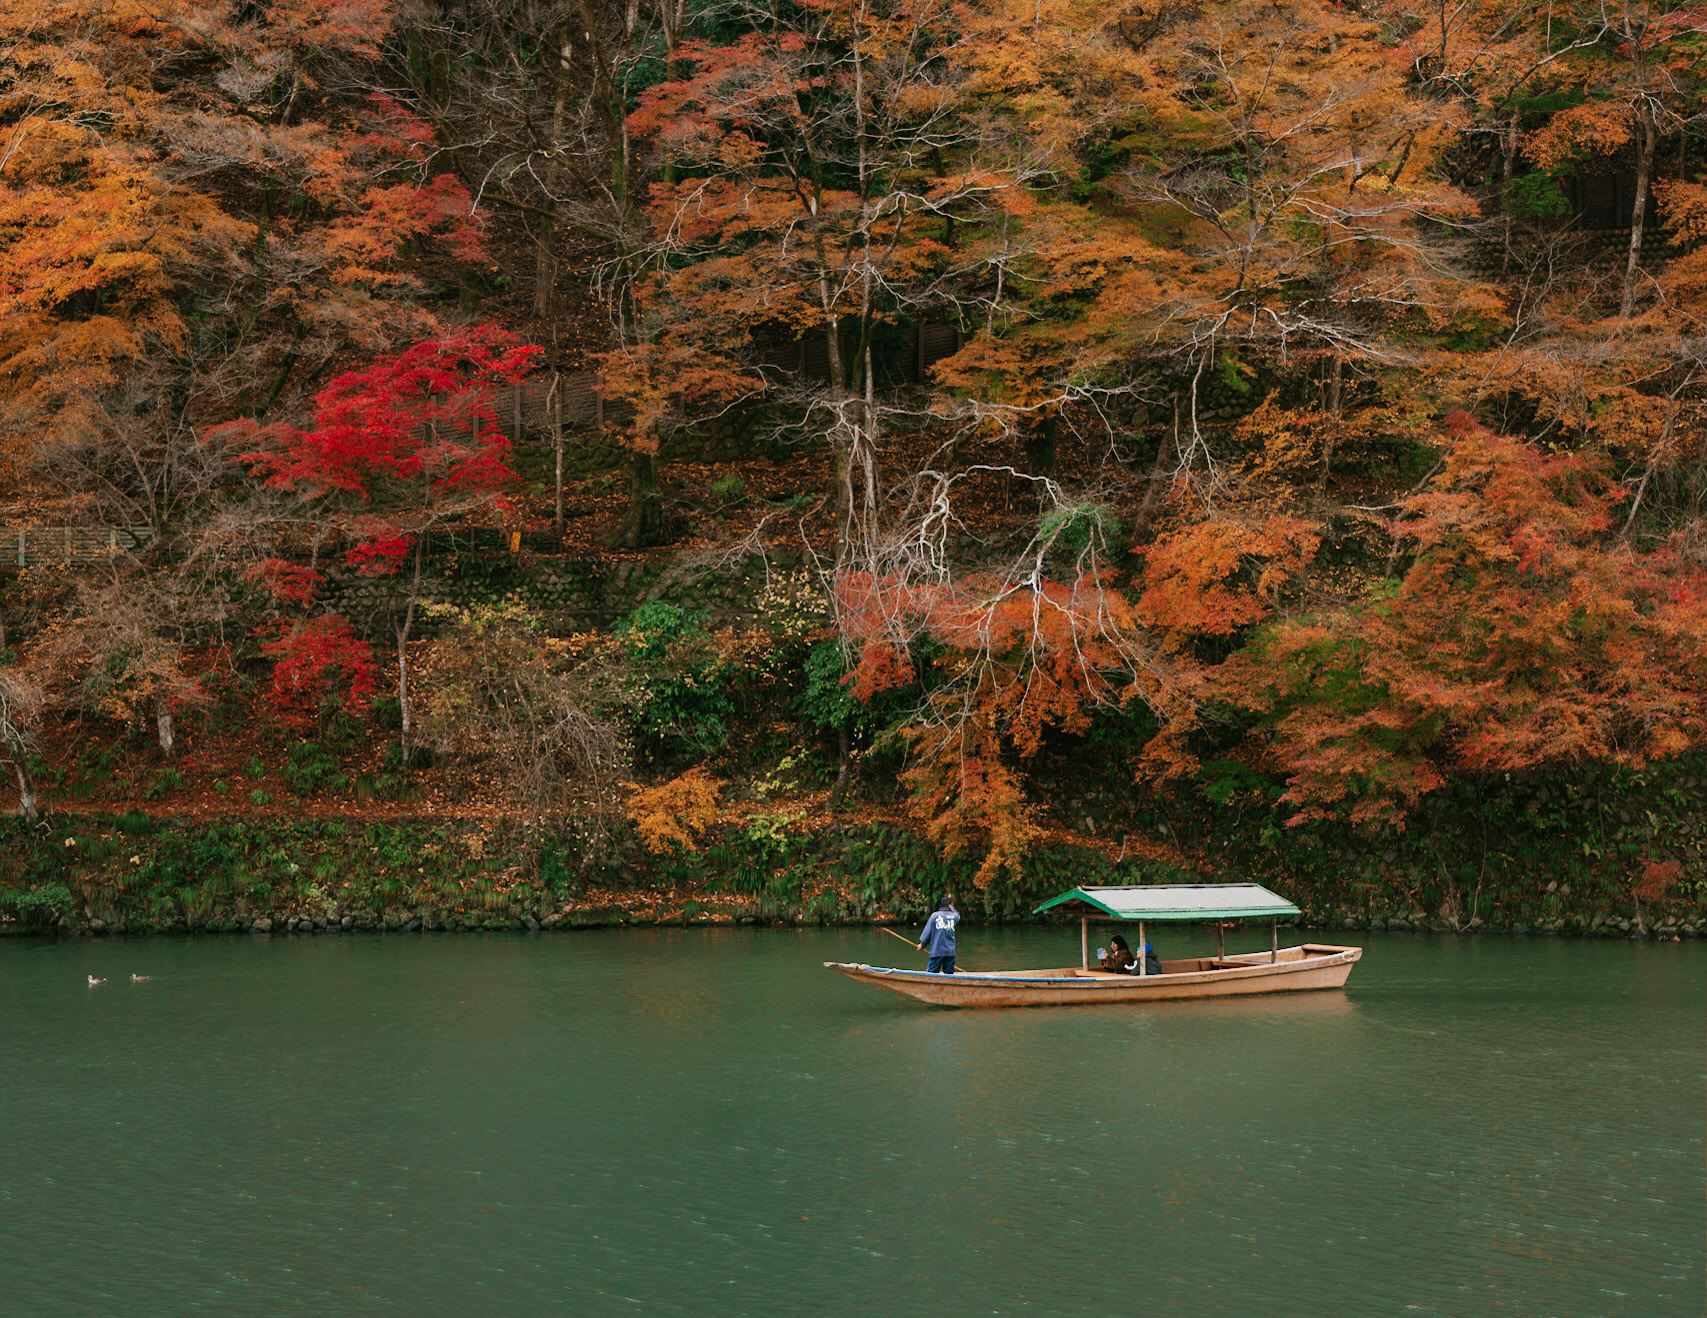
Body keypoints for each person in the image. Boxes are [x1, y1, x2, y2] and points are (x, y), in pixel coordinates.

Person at [918, 894, 960, 974]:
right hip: (949, 952)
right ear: (950, 906)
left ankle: (931, 986)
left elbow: (927, 932)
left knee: (932, 974)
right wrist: (952, 908)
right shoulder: (954, 916)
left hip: (937, 951)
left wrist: (922, 944)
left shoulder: (934, 916)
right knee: (949, 975)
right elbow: (957, 914)